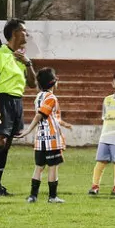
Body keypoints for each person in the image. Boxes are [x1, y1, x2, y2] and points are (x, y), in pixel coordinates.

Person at [0, 19, 34, 198]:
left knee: (7, 144)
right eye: (24, 31)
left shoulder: (21, 57)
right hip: (2, 100)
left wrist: (28, 63)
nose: (27, 34)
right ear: (15, 33)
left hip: (17, 101)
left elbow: (33, 84)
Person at [17, 67, 73, 203]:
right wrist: (28, 130)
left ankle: (33, 196)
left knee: (39, 167)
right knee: (53, 167)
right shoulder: (51, 98)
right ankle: (52, 197)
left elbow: (52, 117)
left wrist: (65, 124)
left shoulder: (39, 97)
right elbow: (40, 115)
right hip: (51, 139)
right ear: (54, 81)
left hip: (40, 139)